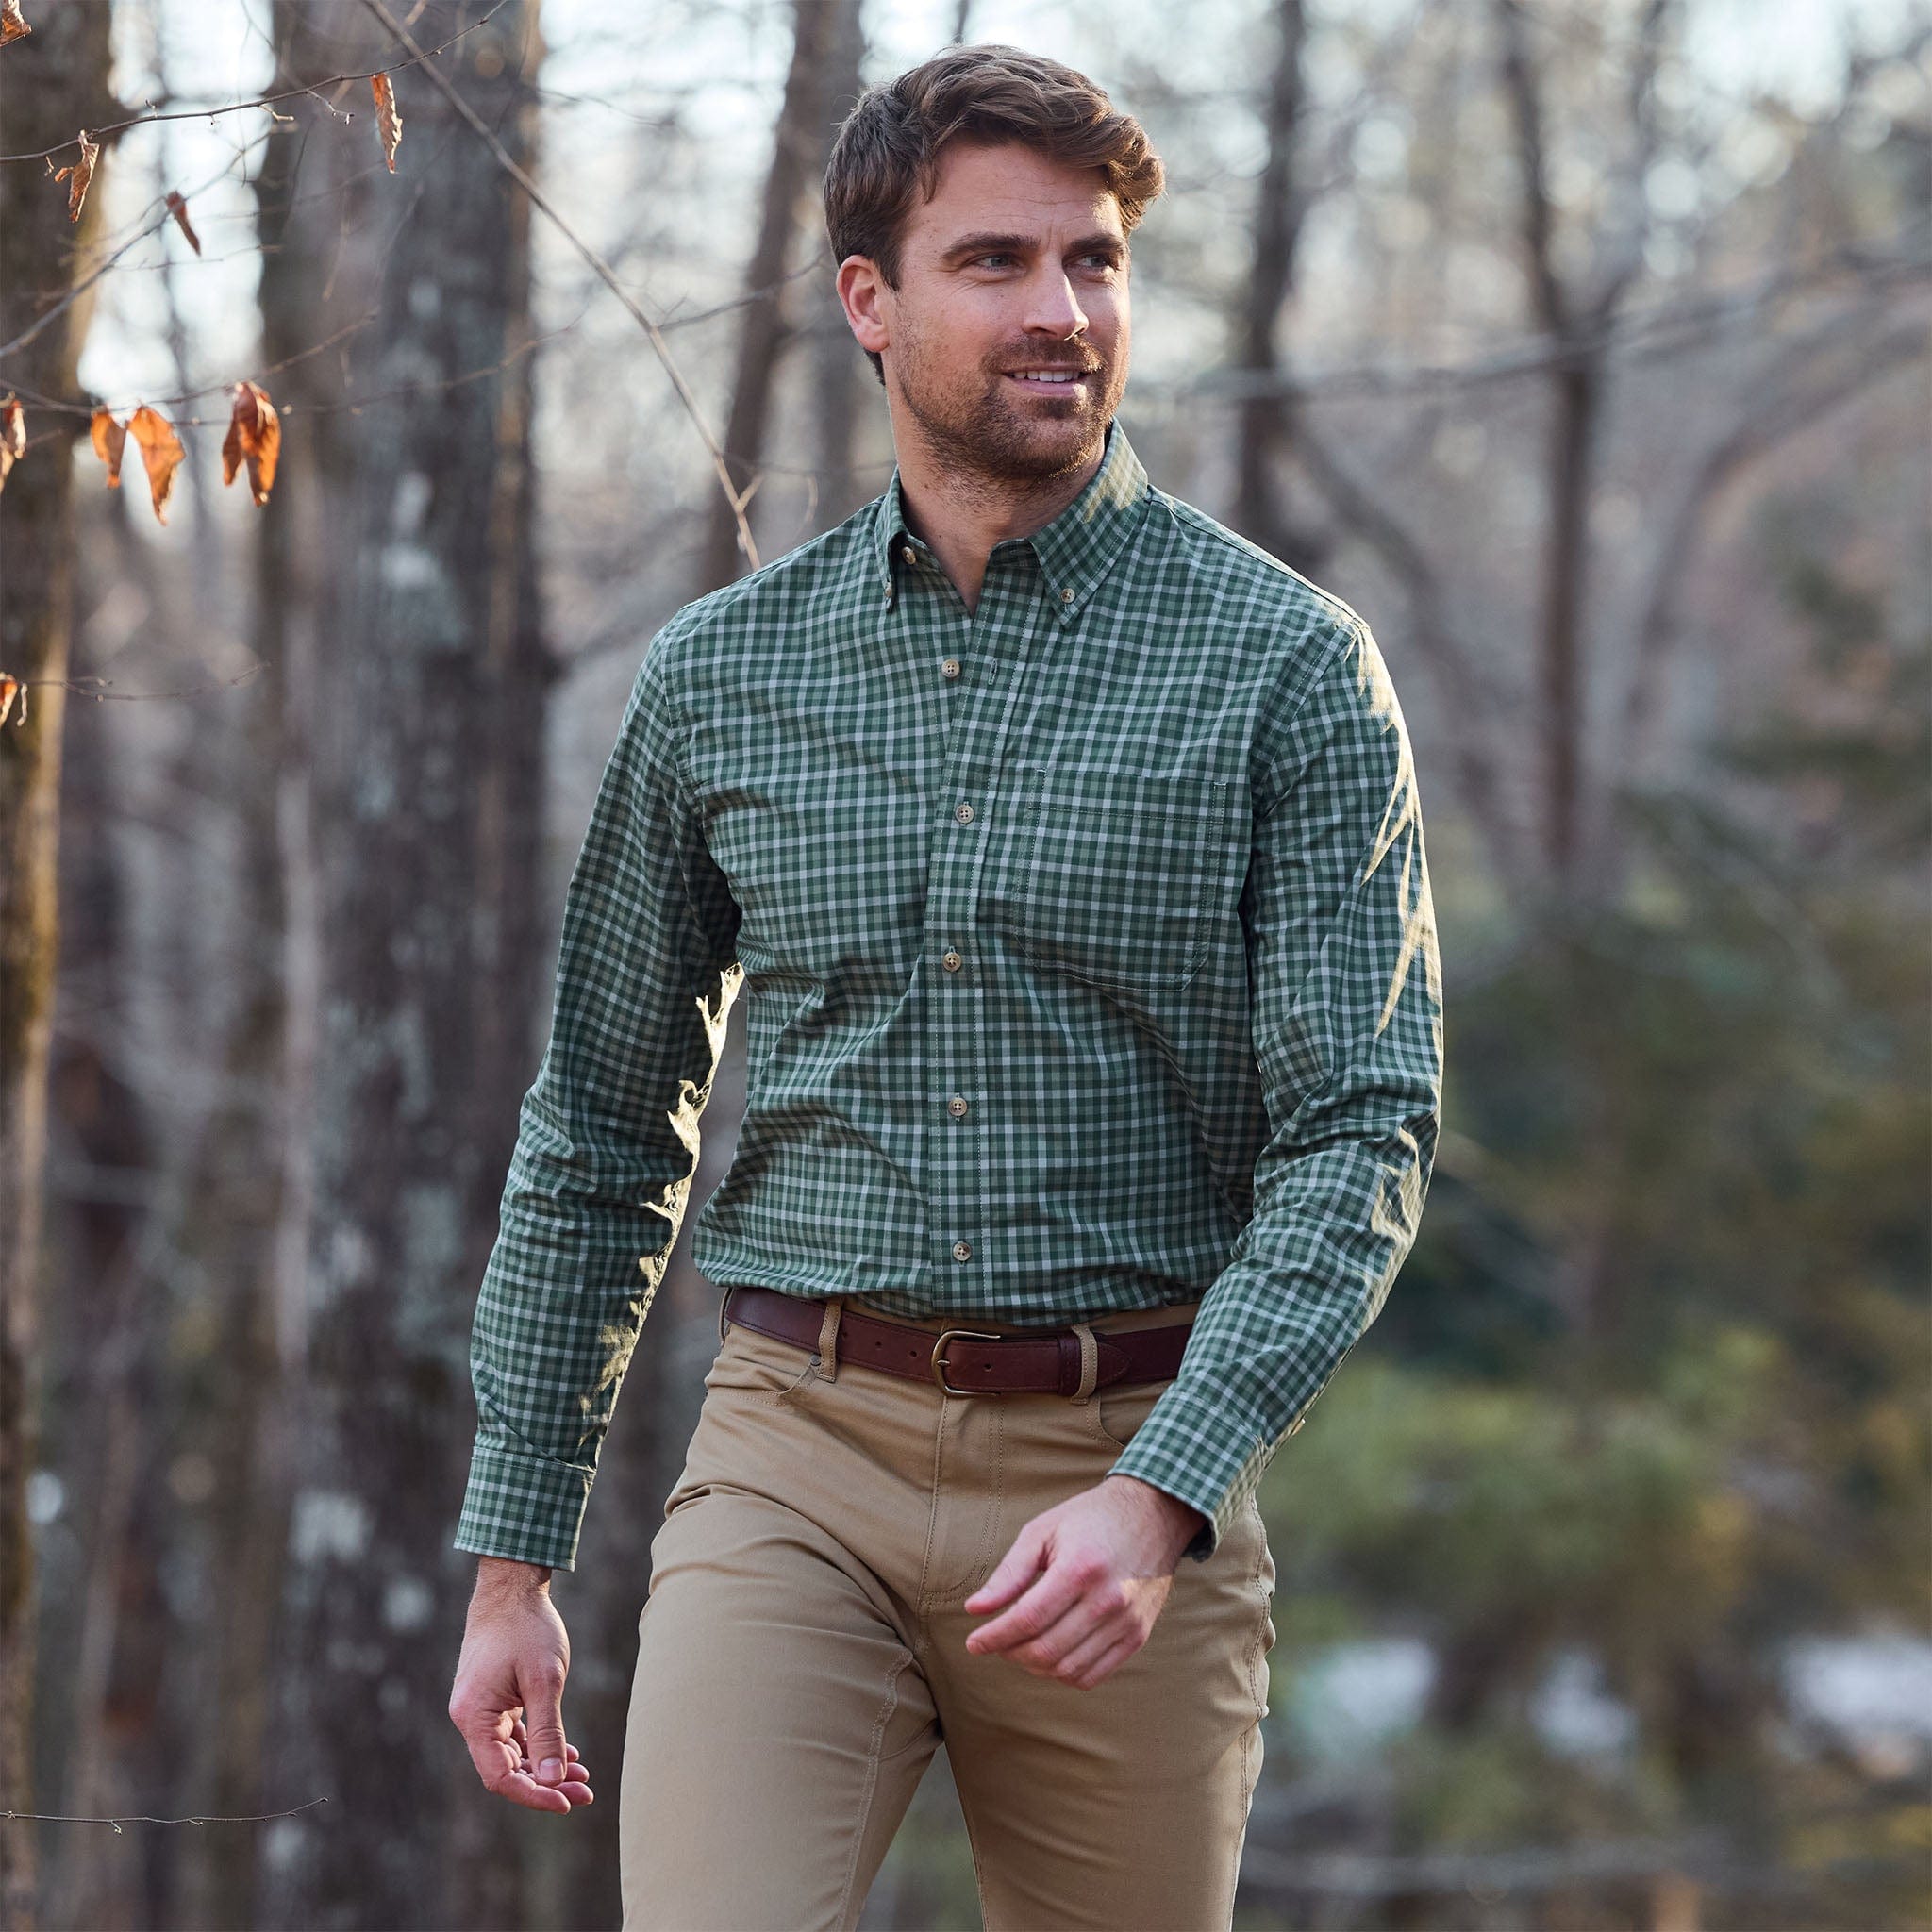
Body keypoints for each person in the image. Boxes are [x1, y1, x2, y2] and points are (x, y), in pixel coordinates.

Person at [446, 41, 1443, 1932]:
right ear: (869, 300)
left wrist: (1167, 1486)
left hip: (1128, 1465)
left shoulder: (1286, 670)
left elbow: (1359, 1129)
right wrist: (512, 1560)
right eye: (996, 263)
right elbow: (599, 1119)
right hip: (795, 1453)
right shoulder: (723, 678)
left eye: (1096, 261)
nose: (1063, 311)